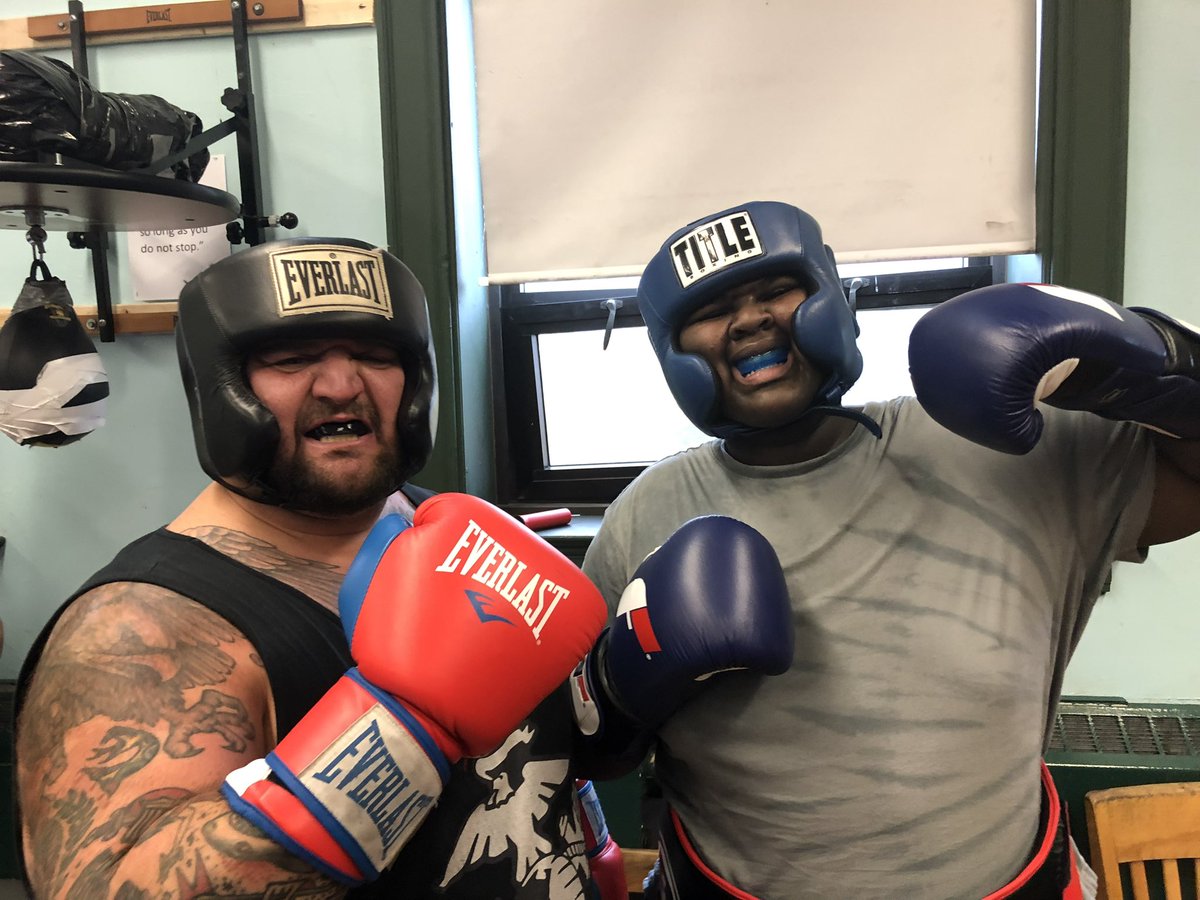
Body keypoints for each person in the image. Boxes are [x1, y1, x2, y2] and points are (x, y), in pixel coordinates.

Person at [580, 200, 1200, 899]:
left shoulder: (1004, 451)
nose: (750, 320)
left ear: (832, 297)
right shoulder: (643, 519)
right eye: (714, 309)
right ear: (673, 351)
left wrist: (1142, 358)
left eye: (776, 290)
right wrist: (620, 683)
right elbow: (588, 749)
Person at [13, 237, 615, 899]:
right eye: (291, 359)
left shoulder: (465, 536)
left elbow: (550, 764)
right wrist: (405, 730)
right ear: (223, 389)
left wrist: (629, 685)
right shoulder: (140, 629)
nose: (342, 385)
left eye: (376, 356)